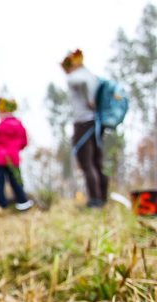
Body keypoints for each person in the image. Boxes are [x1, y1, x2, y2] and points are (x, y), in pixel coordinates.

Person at [62, 49, 107, 208]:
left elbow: (83, 84)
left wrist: (89, 99)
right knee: (96, 161)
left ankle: (95, 200)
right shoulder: (91, 75)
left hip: (83, 123)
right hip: (96, 122)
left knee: (86, 162)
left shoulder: (74, 77)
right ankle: (102, 198)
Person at [0, 97, 34, 211]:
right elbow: (24, 142)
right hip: (13, 158)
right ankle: (22, 202)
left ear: (4, 111)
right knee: (16, 181)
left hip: (0, 159)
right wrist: (15, 149)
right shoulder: (19, 125)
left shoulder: (1, 126)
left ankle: (1, 205)